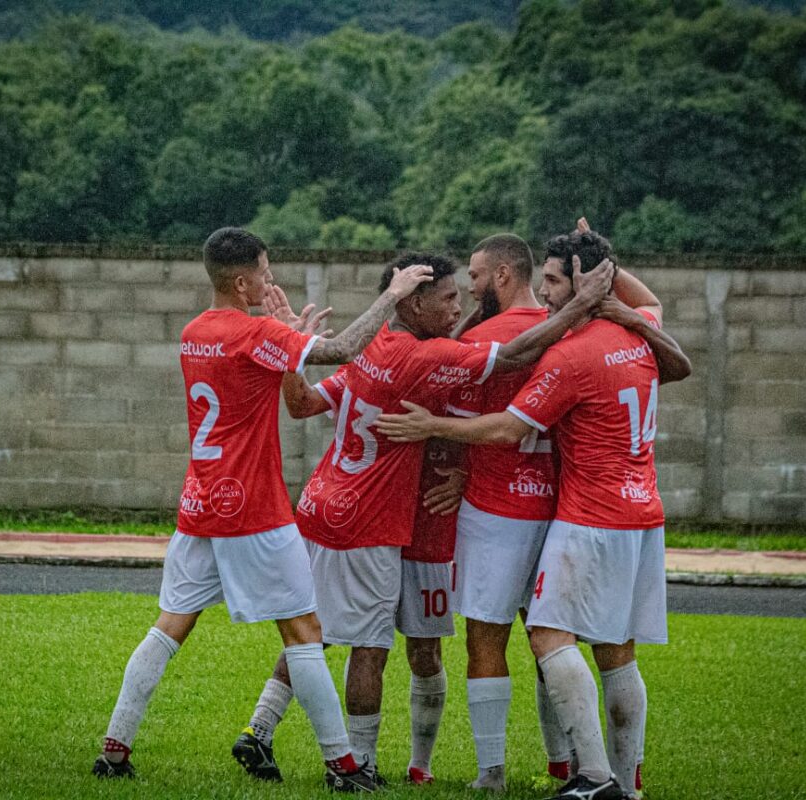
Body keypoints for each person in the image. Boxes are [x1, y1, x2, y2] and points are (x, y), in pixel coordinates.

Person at [232, 250, 616, 786]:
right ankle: (357, 765)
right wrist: (583, 305)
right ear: (411, 302)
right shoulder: (423, 356)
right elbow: (511, 357)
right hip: (366, 518)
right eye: (448, 298)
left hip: (321, 504)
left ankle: (260, 730)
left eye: (463, 292)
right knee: (369, 647)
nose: (459, 306)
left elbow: (299, 405)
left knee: (316, 633)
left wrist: (288, 354)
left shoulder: (372, 348)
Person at [92, 227, 434, 793]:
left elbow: (253, 373)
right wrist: (391, 295)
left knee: (169, 627)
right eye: (267, 273)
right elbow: (343, 350)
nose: (272, 281)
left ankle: (114, 747)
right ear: (244, 280)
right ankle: (342, 767)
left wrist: (284, 341)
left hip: (200, 503)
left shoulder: (193, 332)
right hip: (253, 509)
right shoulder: (254, 333)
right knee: (305, 632)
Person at [376, 230, 691, 800]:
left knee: (521, 638)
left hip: (563, 514)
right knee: (615, 647)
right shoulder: (637, 335)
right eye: (542, 281)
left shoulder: (561, 348)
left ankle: (561, 777)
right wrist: (606, 275)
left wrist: (435, 433)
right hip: (637, 512)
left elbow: (505, 427)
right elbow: (657, 320)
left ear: (579, 284)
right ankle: (616, 777)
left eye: (556, 281)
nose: (547, 293)